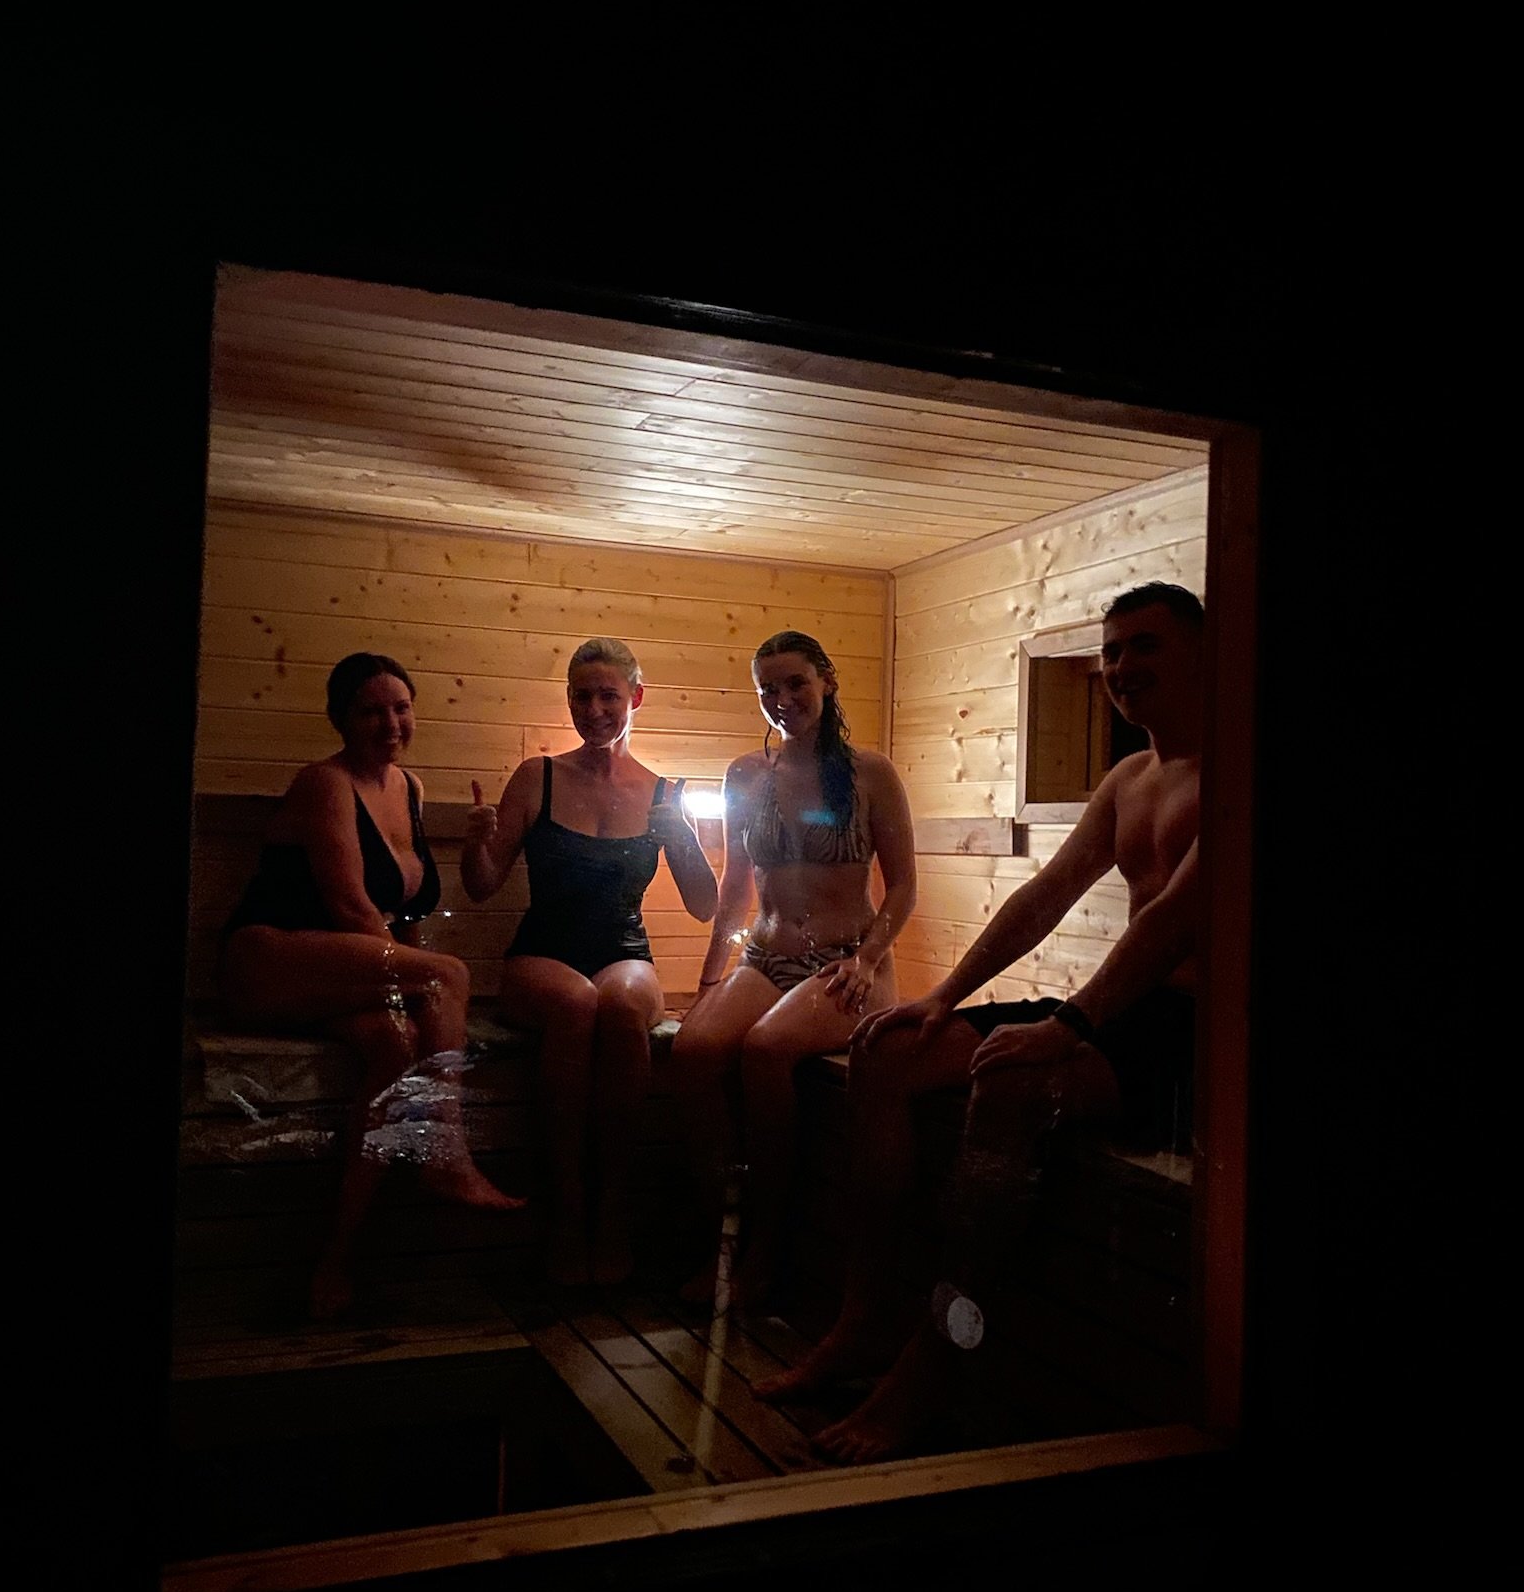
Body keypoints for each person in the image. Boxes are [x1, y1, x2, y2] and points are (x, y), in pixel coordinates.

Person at [755, 583, 1204, 1463]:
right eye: (1110, 652)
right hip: (1122, 1009)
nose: (1121, 668)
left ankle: (935, 1362)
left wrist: (1069, 1024)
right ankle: (863, 1319)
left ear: (1203, 654)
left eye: (1144, 647)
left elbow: (1167, 925)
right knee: (884, 1047)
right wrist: (941, 996)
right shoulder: (1131, 776)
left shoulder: (1235, 773)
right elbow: (1044, 895)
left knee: (1009, 1078)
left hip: (1192, 1034)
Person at [220, 652, 524, 1320]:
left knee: (395, 1047)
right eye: (371, 710)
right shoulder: (325, 784)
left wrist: (422, 999)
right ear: (341, 719)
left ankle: (337, 1257)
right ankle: (444, 1152)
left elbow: (405, 919)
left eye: (401, 707)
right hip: (270, 960)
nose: (390, 722)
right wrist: (429, 984)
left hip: (343, 975)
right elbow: (353, 912)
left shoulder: (409, 788)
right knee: (449, 973)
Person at [462, 637, 718, 1286]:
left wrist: (682, 836)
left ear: (635, 697)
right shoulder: (538, 776)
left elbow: (702, 904)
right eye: (582, 695)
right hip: (542, 952)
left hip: (620, 951)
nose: (595, 708)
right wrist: (475, 841)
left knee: (623, 1001)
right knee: (576, 1002)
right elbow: (483, 883)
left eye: (609, 695)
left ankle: (611, 1211)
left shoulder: (662, 792)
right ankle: (568, 1211)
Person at [673, 630, 916, 1309]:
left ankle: (765, 1253)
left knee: (765, 1050)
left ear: (827, 682)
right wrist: (706, 981)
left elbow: (901, 889)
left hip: (845, 964)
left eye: (794, 684)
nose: (782, 700)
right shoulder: (747, 774)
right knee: (691, 1051)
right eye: (768, 690)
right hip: (765, 954)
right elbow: (734, 885)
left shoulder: (871, 773)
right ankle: (720, 1236)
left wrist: (867, 960)